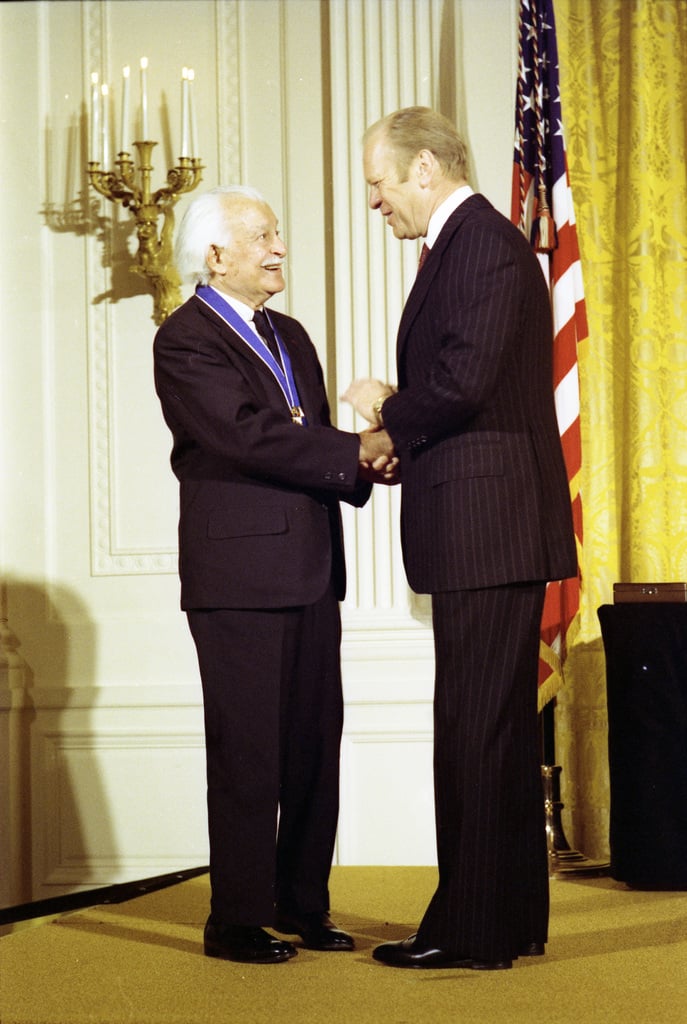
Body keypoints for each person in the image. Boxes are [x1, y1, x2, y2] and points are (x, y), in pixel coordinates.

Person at [343, 107, 578, 971]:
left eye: (379, 182)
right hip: (492, 520)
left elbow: (463, 380)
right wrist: (415, 437)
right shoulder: (474, 243)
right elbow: (473, 391)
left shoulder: (476, 242)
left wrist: (384, 415)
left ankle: (469, 930)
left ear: (426, 169)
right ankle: (505, 918)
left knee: (474, 728)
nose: (376, 201)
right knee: (499, 729)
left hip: (488, 528)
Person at [154, 184, 394, 965]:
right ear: (216, 254)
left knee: (310, 749)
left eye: (277, 233)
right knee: (249, 752)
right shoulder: (185, 339)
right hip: (238, 579)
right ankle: (237, 918)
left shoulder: (289, 334)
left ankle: (303, 907)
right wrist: (348, 451)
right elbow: (245, 436)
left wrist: (367, 465)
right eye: (262, 236)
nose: (278, 248)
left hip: (309, 570)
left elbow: (310, 437)